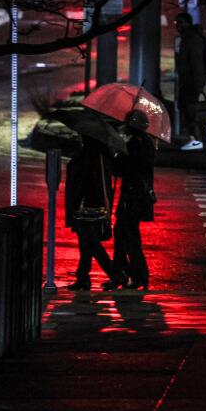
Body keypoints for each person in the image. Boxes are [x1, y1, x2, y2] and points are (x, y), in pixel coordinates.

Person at [64, 134, 125, 291]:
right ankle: (83, 277)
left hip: (88, 207)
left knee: (91, 244)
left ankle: (115, 274)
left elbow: (82, 181)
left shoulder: (89, 155)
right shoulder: (101, 154)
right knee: (86, 244)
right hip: (94, 206)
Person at [113, 110, 157, 290]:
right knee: (126, 234)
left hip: (132, 197)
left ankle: (131, 274)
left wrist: (118, 153)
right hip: (136, 196)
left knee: (127, 235)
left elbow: (124, 168)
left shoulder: (136, 144)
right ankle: (125, 273)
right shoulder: (145, 142)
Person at [173, 11, 206, 150]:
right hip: (189, 79)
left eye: (180, 23)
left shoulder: (192, 39)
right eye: (176, 23)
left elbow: (196, 62)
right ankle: (198, 136)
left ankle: (198, 137)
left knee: (188, 109)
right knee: (187, 108)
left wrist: (198, 83)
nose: (178, 26)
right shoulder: (188, 38)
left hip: (191, 80)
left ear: (187, 23)